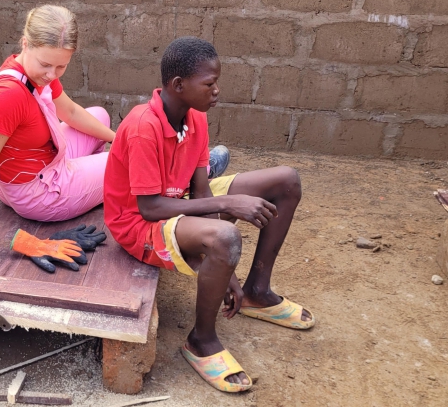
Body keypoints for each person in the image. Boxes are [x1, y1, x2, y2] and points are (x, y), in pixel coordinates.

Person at [103, 37, 314, 393]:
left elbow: (201, 191)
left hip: (177, 201)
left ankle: (257, 292)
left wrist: (225, 263)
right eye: (209, 83)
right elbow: (150, 208)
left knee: (286, 181)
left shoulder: (195, 118)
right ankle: (202, 341)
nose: (216, 90)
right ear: (179, 86)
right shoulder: (144, 127)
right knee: (226, 237)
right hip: (139, 225)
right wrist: (228, 209)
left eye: (217, 81)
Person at [0, 5, 229, 264]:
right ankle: (188, 174)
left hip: (42, 163)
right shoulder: (4, 96)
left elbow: (73, 114)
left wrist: (120, 139)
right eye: (45, 64)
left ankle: (166, 168)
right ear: (25, 44)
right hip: (37, 192)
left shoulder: (33, 72)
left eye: (61, 65)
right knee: (126, 166)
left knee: (98, 116)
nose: (52, 74)